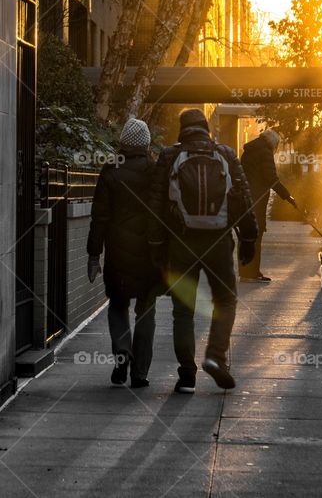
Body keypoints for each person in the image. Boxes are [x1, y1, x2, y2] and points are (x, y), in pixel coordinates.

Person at [148, 109, 258, 393]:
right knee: (226, 300)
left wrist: (156, 247)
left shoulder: (170, 156)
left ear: (182, 128)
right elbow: (244, 199)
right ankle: (215, 356)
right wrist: (248, 239)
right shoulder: (226, 154)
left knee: (183, 311)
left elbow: (156, 205)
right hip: (218, 242)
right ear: (206, 128)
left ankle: (187, 375)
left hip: (181, 242)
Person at [86, 118, 163, 388]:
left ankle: (121, 352)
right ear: (146, 143)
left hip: (117, 253)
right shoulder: (155, 171)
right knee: (146, 310)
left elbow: (99, 217)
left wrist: (93, 254)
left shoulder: (111, 170)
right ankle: (139, 373)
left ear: (123, 142)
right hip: (149, 253)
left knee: (118, 305)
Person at [238, 129, 296, 283]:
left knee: (246, 234)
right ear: (273, 143)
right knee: (256, 235)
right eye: (277, 146)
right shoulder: (265, 152)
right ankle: (252, 273)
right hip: (257, 198)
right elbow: (271, 178)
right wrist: (287, 196)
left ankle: (245, 271)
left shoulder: (248, 151)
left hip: (245, 198)